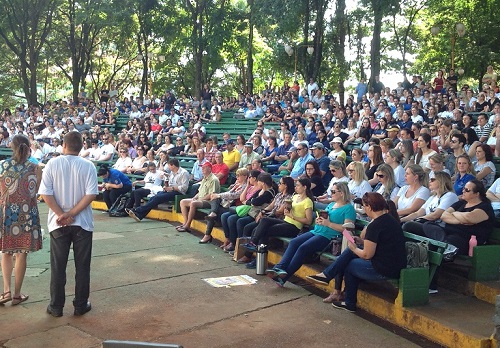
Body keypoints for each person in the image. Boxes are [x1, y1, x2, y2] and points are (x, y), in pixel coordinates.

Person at [306, 192, 406, 312]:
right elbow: (381, 244)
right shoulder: (388, 219)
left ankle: (345, 297)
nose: (363, 209)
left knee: (348, 263)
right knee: (349, 257)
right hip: (392, 264)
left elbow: (367, 254)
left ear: (369, 207)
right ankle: (330, 280)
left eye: (364, 206)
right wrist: (361, 242)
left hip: (385, 268)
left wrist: (354, 248)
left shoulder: (376, 225)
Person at [39, 131, 99, 317]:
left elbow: (45, 193)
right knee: (82, 266)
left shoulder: (52, 163)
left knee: (58, 267)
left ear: (63, 146)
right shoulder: (88, 166)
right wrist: (72, 213)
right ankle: (80, 305)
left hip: (58, 224)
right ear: (81, 146)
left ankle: (56, 307)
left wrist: (61, 214)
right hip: (82, 223)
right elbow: (91, 194)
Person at [266, 181, 356, 287]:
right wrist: (320, 220)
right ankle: (279, 268)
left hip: (328, 237)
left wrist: (328, 223)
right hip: (317, 231)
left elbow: (347, 229)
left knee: (303, 248)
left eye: (333, 191)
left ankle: (284, 277)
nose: (331, 193)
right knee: (294, 242)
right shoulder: (331, 204)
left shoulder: (349, 209)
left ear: (342, 193)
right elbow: (325, 219)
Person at [422, 179, 495, 291]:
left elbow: (470, 218)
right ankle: (445, 244)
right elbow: (444, 215)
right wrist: (461, 219)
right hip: (447, 234)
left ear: (476, 194)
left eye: (467, 190)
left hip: (465, 239)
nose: (463, 191)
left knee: (436, 247)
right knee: (426, 225)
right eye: (463, 188)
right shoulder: (460, 203)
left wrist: (455, 214)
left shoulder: (485, 207)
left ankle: (431, 285)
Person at [0, 134, 42, 306]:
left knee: (6, 252)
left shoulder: (2, 165)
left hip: (6, 213)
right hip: (26, 215)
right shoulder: (35, 168)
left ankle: (6, 292)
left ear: (12, 147)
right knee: (21, 253)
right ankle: (17, 295)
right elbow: (34, 193)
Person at [239, 177, 314, 268]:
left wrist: (292, 216)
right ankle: (255, 249)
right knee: (265, 221)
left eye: (298, 185)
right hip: (285, 221)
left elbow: (308, 221)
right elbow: (281, 209)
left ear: (305, 187)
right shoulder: (294, 197)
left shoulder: (308, 201)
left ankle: (256, 254)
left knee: (264, 231)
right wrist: (287, 209)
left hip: (294, 227)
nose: (296, 187)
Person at [201, 168, 249, 244]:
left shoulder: (245, 186)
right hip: (226, 205)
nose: (237, 177)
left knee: (216, 209)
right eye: (236, 175)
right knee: (214, 200)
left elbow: (234, 196)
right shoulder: (237, 184)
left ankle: (209, 235)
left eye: (239, 175)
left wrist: (219, 195)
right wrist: (218, 196)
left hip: (234, 207)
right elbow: (229, 192)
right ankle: (208, 232)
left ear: (245, 176)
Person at [177, 162, 221, 232]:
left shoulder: (214, 179)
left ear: (209, 169)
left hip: (209, 202)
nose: (202, 169)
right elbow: (199, 191)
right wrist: (195, 197)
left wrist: (200, 199)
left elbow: (212, 195)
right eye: (202, 168)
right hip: (200, 199)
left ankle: (188, 225)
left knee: (193, 203)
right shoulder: (204, 178)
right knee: (183, 202)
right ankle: (185, 223)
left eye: (204, 168)